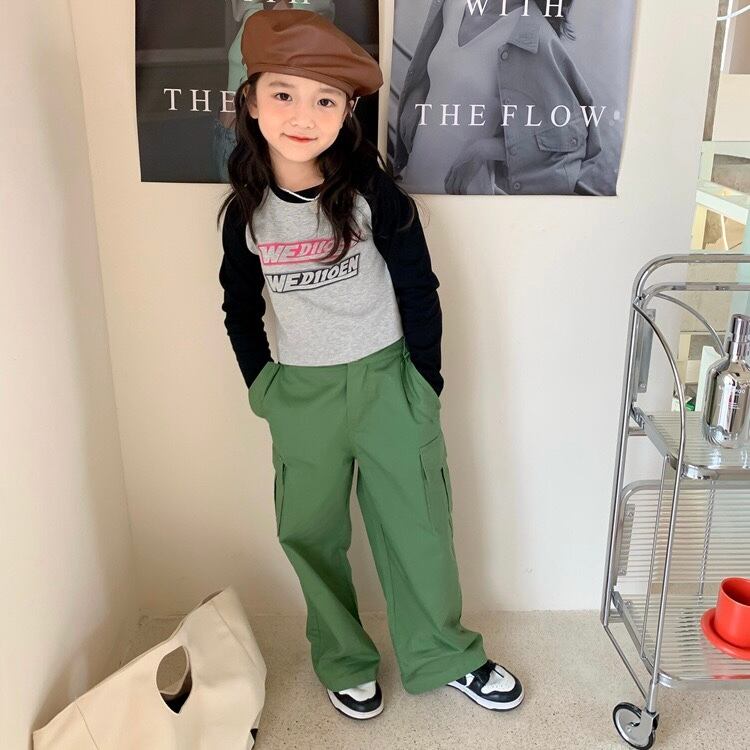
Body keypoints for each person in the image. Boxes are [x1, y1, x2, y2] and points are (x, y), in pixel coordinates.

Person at [216, 8, 525, 721]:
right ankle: (344, 660)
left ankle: (444, 653)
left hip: (390, 383)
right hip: (302, 397)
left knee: (419, 527)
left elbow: (418, 286)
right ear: (252, 101)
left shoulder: (370, 195)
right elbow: (238, 306)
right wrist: (264, 386)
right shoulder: (246, 216)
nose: (304, 116)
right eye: (284, 94)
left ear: (346, 112)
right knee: (310, 534)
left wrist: (424, 380)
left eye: (325, 100)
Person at [392, 0, 606, 195]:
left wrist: (485, 149)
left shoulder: (531, 33)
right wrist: (417, 96)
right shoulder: (450, 5)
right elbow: (442, 71)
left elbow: (570, 137)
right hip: (412, 183)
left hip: (463, 200)